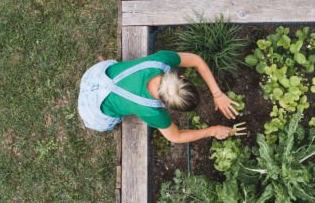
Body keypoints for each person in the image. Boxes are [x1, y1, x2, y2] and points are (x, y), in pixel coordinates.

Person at [78, 50, 240, 143]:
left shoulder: (159, 60)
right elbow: (175, 137)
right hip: (92, 110)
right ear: (166, 106)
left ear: (180, 78)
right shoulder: (152, 112)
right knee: (108, 121)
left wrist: (218, 94)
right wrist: (213, 131)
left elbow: (196, 60)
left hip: (96, 76)